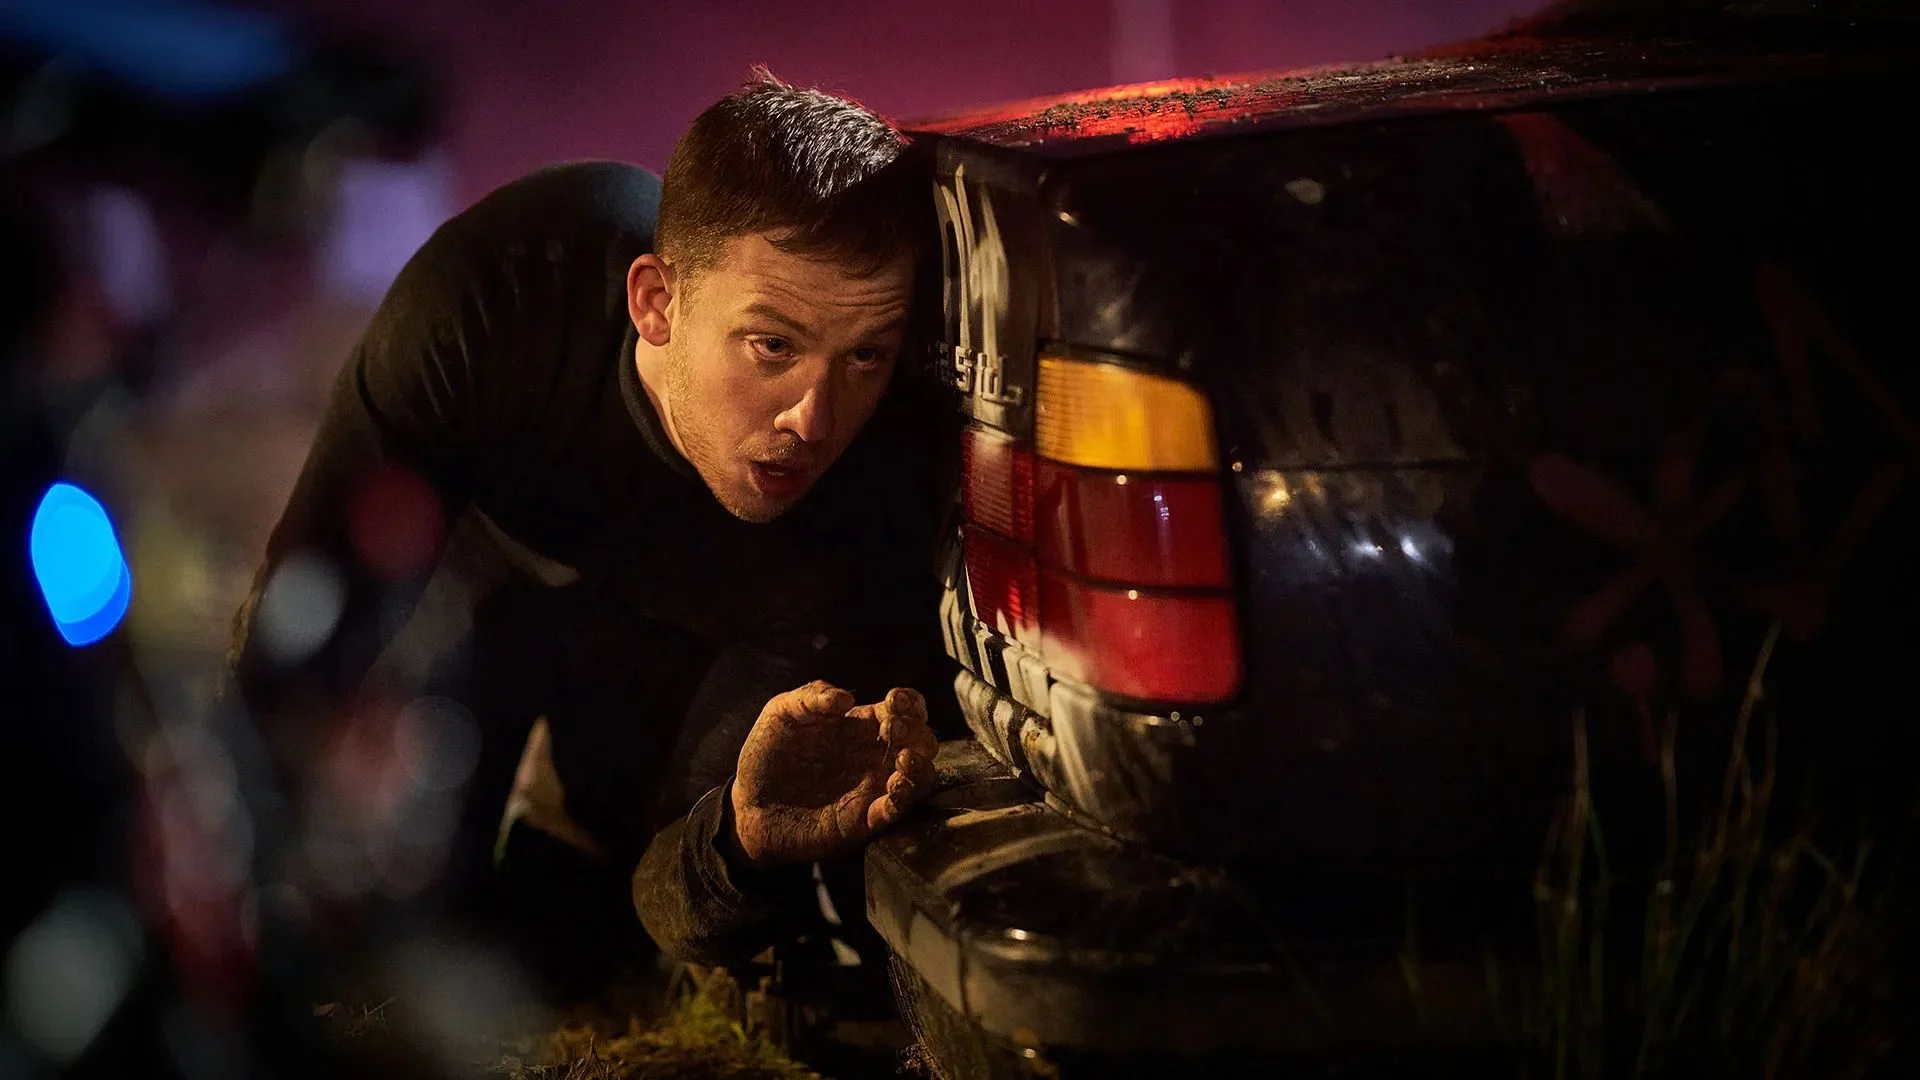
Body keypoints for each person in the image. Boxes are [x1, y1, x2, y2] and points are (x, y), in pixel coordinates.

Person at [227, 70, 955, 995]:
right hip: (476, 568)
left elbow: (675, 889)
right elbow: (296, 630)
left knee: (604, 943)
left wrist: (737, 843)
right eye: (772, 345)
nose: (813, 419)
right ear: (657, 303)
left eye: (863, 356)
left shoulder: (871, 500)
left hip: (696, 643)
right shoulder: (499, 295)